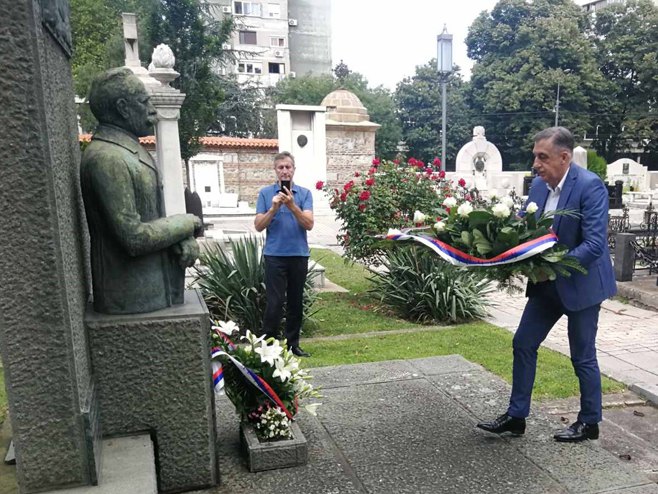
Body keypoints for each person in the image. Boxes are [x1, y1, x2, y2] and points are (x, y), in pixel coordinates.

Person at [477, 127, 616, 442]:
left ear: (564, 157)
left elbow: (594, 245)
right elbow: (529, 232)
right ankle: (516, 416)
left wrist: (551, 267)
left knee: (582, 355)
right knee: (523, 343)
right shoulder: (539, 187)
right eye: (535, 156)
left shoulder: (590, 187)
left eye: (543, 157)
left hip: (581, 285)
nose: (536, 164)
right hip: (545, 285)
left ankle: (589, 422)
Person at [81, 67, 202, 314]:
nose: (153, 111)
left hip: (149, 291)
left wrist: (180, 240)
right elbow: (133, 237)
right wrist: (185, 223)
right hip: (129, 296)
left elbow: (151, 220)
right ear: (123, 108)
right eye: (145, 102)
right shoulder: (107, 159)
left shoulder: (127, 151)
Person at [254, 152, 314, 357]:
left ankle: (292, 345)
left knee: (296, 301)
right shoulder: (265, 194)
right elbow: (258, 226)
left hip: (298, 255)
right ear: (275, 170)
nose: (285, 171)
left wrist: (291, 205)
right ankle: (268, 346)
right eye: (281, 167)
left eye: (288, 167)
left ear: (293, 170)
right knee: (275, 302)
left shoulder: (304, 194)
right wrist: (274, 208)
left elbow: (309, 224)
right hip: (274, 256)